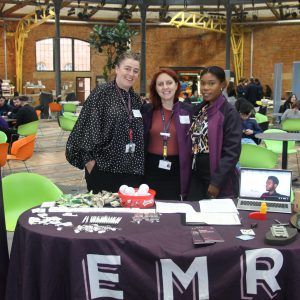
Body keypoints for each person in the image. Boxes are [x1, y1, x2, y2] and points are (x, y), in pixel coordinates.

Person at [66, 51, 144, 194]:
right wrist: (90, 164)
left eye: (135, 71)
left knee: (129, 215)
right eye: (127, 69)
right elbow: (83, 129)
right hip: (104, 171)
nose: (131, 74)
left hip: (132, 172)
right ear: (117, 69)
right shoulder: (101, 94)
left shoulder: (135, 99)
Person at [188, 66, 242, 200]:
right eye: (203, 83)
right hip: (196, 174)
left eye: (211, 83)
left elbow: (232, 152)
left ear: (222, 85)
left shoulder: (229, 113)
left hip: (216, 177)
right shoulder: (199, 109)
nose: (205, 87)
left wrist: (216, 182)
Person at [142, 68, 193, 200]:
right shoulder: (147, 110)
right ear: (155, 88)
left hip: (177, 169)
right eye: (160, 84)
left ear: (176, 85)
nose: (165, 87)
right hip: (151, 168)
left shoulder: (188, 111)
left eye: (169, 83)